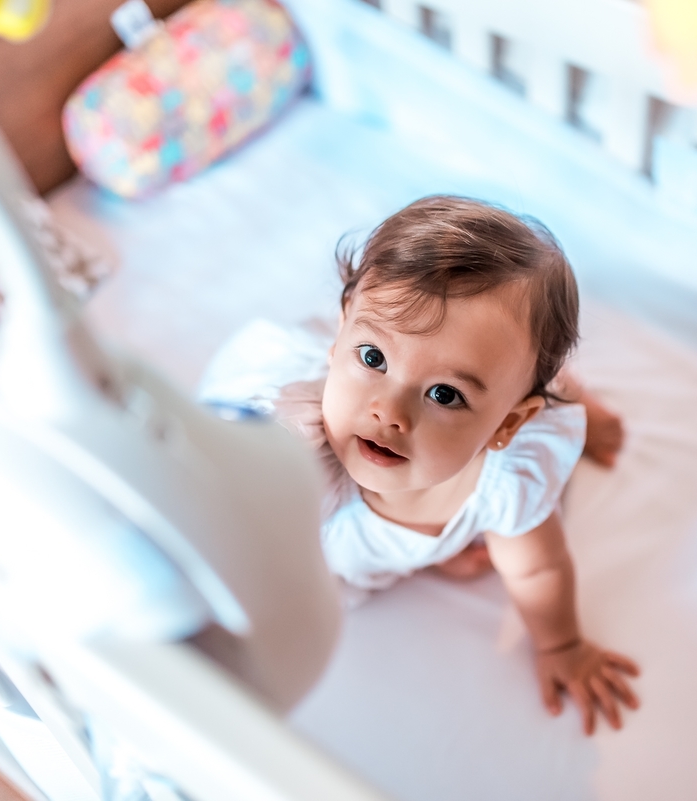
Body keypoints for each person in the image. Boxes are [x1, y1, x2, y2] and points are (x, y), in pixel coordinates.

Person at [200, 196, 637, 734]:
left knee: (536, 390)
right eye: (372, 358)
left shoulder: (506, 482)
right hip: (281, 420)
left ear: (505, 427)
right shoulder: (291, 462)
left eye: (445, 395)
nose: (389, 411)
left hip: (481, 416)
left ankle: (564, 398)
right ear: (342, 335)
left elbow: (538, 569)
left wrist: (563, 645)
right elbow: (224, 533)